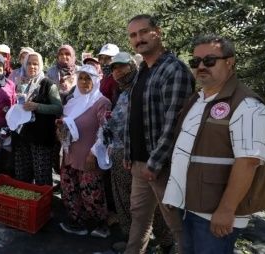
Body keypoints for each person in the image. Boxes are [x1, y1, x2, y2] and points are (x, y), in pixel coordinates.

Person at [163, 35, 265, 254]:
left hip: (215, 214)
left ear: (230, 62)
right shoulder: (198, 99)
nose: (201, 66)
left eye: (209, 60)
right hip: (189, 206)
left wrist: (226, 210)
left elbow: (248, 162)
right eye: (195, 62)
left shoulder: (247, 105)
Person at [123, 14, 194, 254]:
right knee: (139, 217)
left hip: (164, 166)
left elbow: (175, 125)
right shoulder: (143, 68)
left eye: (143, 32)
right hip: (140, 163)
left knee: (178, 224)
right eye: (133, 35)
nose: (138, 39)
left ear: (158, 32)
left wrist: (154, 164)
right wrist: (129, 151)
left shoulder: (174, 71)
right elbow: (134, 114)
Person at [96, 52, 173, 252]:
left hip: (138, 157)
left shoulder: (142, 90)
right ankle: (136, 243)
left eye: (123, 67)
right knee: (130, 202)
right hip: (123, 153)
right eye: (114, 68)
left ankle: (165, 243)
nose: (118, 71)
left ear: (133, 66)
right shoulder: (124, 91)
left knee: (147, 204)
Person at [58, 65, 111, 238]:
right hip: (70, 153)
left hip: (88, 156)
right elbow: (67, 126)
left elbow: (106, 131)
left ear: (95, 80)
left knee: (91, 192)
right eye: (81, 78)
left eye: (88, 78)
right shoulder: (72, 101)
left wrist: (93, 153)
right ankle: (77, 223)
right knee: (70, 189)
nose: (83, 82)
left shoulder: (102, 102)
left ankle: (101, 226)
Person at [13, 51, 63, 185]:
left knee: (42, 175)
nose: (32, 67)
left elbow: (58, 108)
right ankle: (26, 203)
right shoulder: (21, 83)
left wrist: (37, 106)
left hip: (41, 137)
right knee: (23, 173)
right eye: (29, 63)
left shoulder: (48, 84)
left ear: (40, 65)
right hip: (23, 136)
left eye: (35, 64)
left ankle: (44, 204)